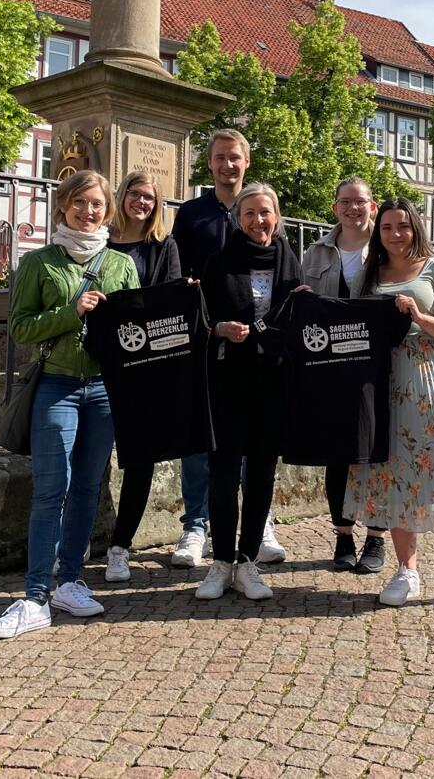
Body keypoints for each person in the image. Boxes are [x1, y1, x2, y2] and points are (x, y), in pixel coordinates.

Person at [0, 170, 139, 640]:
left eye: (97, 205)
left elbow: (132, 331)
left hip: (104, 390)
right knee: (53, 488)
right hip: (57, 385)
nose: (88, 212)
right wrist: (71, 312)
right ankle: (34, 597)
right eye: (80, 202)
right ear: (64, 205)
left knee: (89, 487)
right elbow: (20, 328)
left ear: (107, 210)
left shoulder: (121, 265)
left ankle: (69, 581)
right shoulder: (40, 263)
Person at [345, 196, 434, 611]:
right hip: (381, 381)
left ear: (416, 228)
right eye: (386, 227)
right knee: (393, 475)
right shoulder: (370, 273)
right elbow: (352, 322)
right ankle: (407, 570)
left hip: (427, 376)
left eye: (402, 226)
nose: (394, 235)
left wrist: (419, 317)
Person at [168, 129, 287, 567]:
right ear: (210, 164)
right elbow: (178, 271)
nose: (227, 165)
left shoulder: (263, 212)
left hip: (256, 356)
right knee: (203, 441)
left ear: (246, 161)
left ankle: (262, 523)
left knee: (254, 448)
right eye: (220, 158)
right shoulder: (193, 213)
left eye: (234, 157)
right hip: (209, 340)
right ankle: (195, 525)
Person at [195, 182, 302, 601]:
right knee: (222, 477)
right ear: (238, 219)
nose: (259, 221)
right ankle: (221, 562)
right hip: (229, 383)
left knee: (261, 476)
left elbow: (300, 322)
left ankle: (248, 563)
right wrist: (219, 329)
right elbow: (198, 321)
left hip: (272, 384)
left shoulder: (290, 264)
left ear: (277, 217)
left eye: (266, 213)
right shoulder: (219, 263)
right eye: (250, 213)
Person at [301, 176, 388, 574]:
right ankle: (341, 535)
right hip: (331, 367)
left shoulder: (389, 248)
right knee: (338, 453)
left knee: (377, 454)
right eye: (345, 202)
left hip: (377, 365)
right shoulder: (315, 252)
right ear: (335, 208)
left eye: (361, 202)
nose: (353, 209)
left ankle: (375, 539)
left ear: (373, 207)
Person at [103, 171, 183, 583]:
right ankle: (80, 537)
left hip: (143, 362)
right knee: (92, 456)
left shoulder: (163, 246)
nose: (142, 202)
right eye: (135, 194)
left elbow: (168, 297)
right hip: (98, 360)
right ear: (122, 196)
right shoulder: (100, 240)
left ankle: (121, 546)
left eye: (150, 197)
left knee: (139, 459)